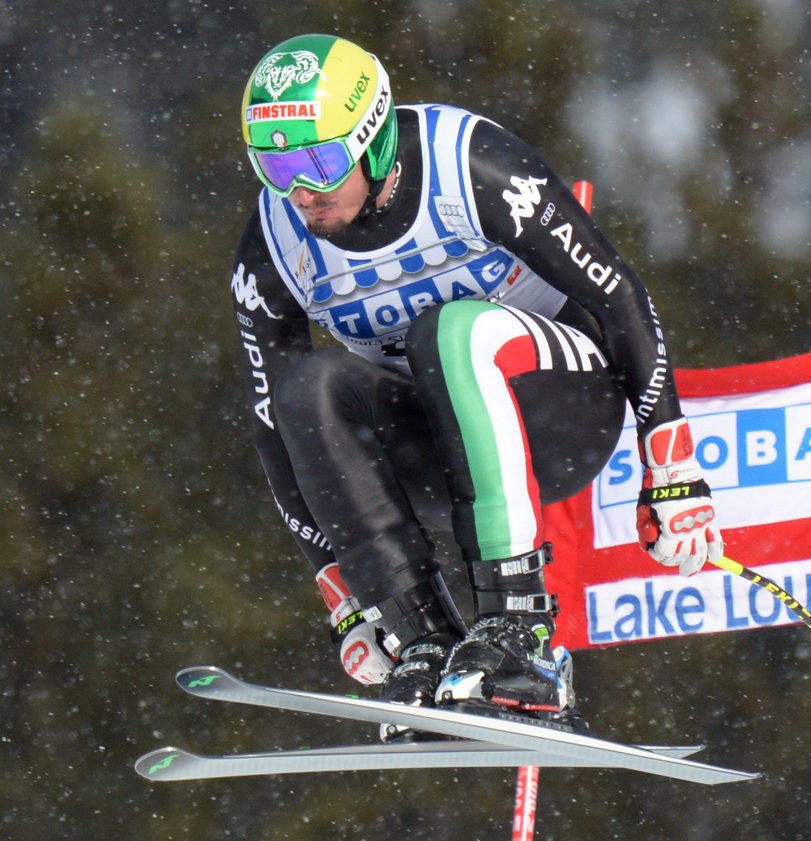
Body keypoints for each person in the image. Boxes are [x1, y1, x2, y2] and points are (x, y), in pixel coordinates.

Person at [231, 33, 724, 739]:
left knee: (450, 329)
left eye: (318, 160)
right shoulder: (277, 240)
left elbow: (616, 295)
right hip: (440, 452)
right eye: (274, 165)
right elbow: (273, 423)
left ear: (370, 141)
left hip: (560, 413)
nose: (299, 189)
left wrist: (671, 469)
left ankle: (520, 636)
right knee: (311, 387)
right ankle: (424, 643)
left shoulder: (468, 167)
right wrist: (342, 594)